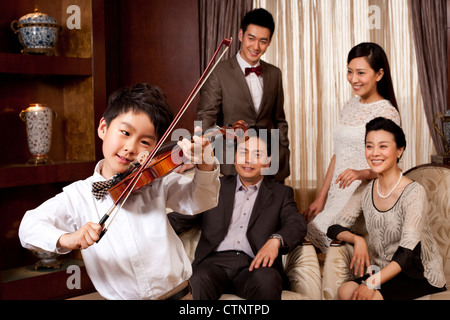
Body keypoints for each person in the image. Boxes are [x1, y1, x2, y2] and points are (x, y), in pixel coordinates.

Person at [18, 83, 221, 300]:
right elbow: (29, 227)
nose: (131, 147)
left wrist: (205, 163)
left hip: (179, 296)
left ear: (155, 148)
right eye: (125, 132)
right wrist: (68, 238)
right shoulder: (79, 195)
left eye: (145, 141)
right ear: (103, 128)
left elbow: (200, 200)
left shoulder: (157, 181)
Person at [168, 127, 306, 300]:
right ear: (234, 158)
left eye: (257, 154)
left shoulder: (281, 193)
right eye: (243, 152)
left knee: (268, 280)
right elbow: (180, 218)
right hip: (213, 264)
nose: (248, 160)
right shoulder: (213, 186)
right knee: (197, 280)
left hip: (256, 265)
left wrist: (275, 241)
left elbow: (296, 223)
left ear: (268, 162)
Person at [327, 117, 446, 300]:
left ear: (399, 150)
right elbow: (334, 228)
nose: (375, 153)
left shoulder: (414, 192)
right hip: (381, 270)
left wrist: (371, 283)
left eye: (383, 146)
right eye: (369, 146)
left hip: (415, 273)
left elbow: (406, 253)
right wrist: (357, 239)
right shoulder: (367, 191)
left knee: (370, 297)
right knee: (345, 291)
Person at [303, 42, 401, 253]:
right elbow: (338, 154)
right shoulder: (349, 106)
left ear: (379, 74)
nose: (353, 79)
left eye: (361, 73)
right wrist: (321, 197)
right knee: (303, 235)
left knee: (322, 236)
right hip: (337, 193)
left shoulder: (387, 113)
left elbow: (389, 165)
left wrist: (360, 173)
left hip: (361, 195)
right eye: (349, 72)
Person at [196, 8, 290, 182]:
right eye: (251, 38)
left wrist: (282, 150)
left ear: (269, 42)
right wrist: (203, 156)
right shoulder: (218, 72)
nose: (255, 47)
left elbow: (279, 119)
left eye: (263, 41)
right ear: (241, 35)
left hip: (268, 163)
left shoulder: (274, 73)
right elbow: (205, 118)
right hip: (230, 164)